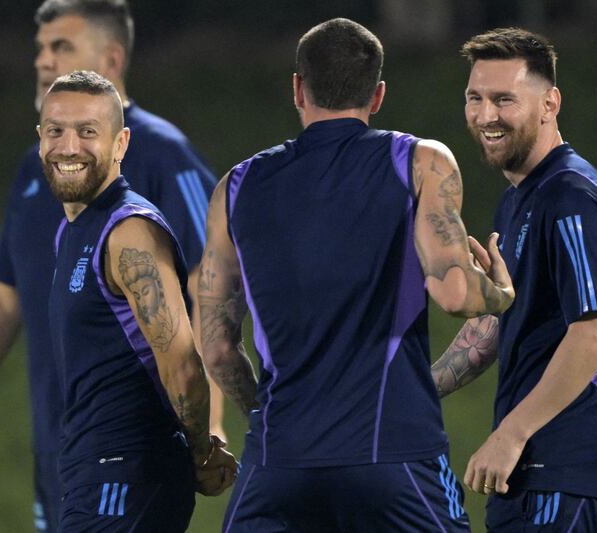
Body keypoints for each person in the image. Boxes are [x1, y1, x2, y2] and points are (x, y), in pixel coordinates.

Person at [0, 1, 223, 531]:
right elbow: (2, 294)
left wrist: (205, 437)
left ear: (112, 58)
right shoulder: (58, 204)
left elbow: (210, 292)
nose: (43, 60)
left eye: (62, 47)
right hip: (69, 454)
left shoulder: (150, 183)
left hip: (125, 466)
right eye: (54, 132)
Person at [197, 18, 515, 532]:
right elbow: (456, 292)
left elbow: (215, 348)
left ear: (298, 88)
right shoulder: (420, 162)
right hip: (394, 455)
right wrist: (500, 292)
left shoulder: (235, 187)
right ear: (378, 94)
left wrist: (264, 413)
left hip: (280, 463)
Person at [431, 27, 597, 531]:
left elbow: (593, 334)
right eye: (475, 98)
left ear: (550, 104)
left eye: (504, 100)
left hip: (564, 472)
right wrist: (416, 388)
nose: (485, 116)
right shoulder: (520, 198)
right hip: (528, 477)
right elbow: (500, 325)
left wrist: (511, 434)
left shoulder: (570, 197)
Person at [39, 70, 235, 531]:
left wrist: (201, 449)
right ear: (40, 139)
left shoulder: (130, 233)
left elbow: (183, 362)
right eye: (56, 131)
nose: (69, 147)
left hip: (125, 474)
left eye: (88, 132)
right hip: (95, 472)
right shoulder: (71, 230)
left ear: (120, 143)